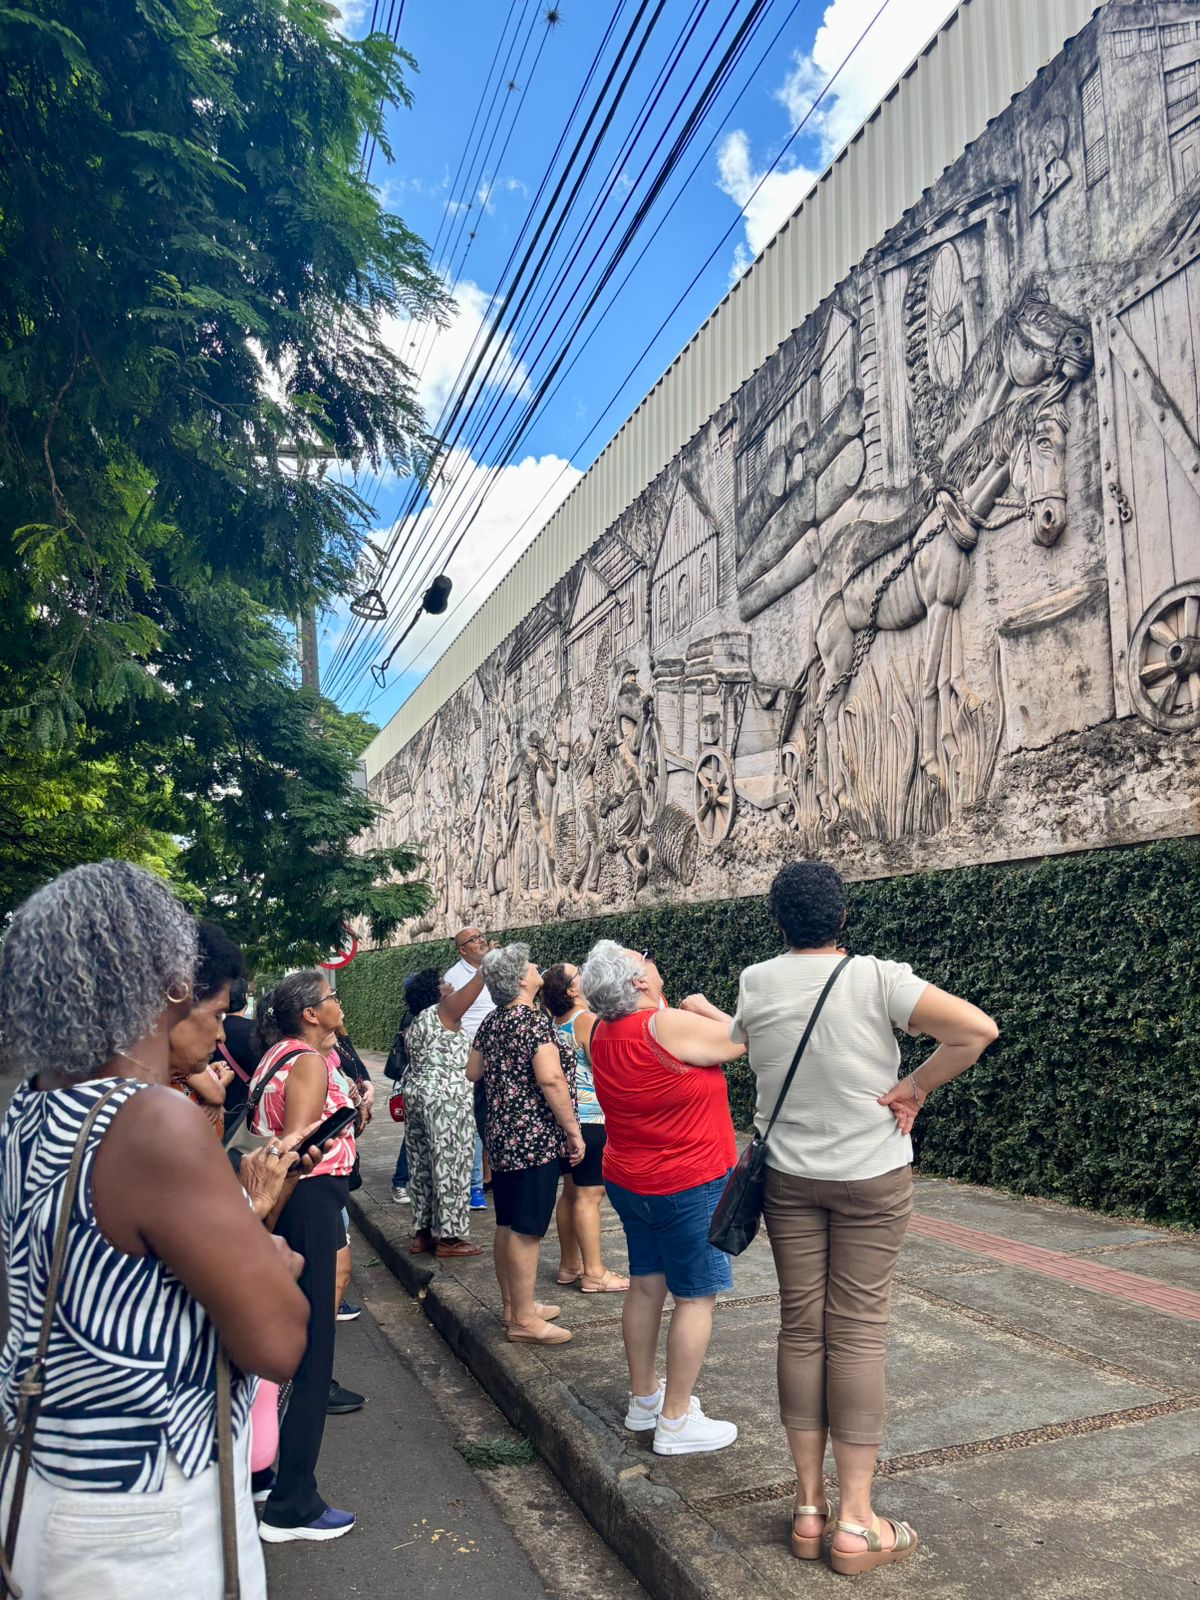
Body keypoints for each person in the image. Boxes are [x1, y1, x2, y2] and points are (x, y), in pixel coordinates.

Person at [0, 861, 308, 1599]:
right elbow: (278, 1343)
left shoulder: (27, 1108)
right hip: (143, 1523)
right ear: (171, 981)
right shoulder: (152, 1120)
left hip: (42, 1483)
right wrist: (271, 1260)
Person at [732, 861, 998, 1575]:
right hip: (872, 1176)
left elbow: (747, 1044)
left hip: (789, 1178)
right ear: (842, 917)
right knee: (856, 1332)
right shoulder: (878, 978)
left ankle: (808, 1509)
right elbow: (976, 1030)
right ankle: (857, 1522)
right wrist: (914, 1086)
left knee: (801, 1327)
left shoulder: (756, 981)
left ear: (778, 921)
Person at [580, 942, 745, 1456]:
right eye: (646, 957)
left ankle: (645, 1398)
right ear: (638, 982)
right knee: (695, 1297)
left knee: (646, 1285)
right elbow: (746, 1039)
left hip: (630, 1180)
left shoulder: (599, 1030)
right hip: (689, 1181)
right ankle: (675, 1421)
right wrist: (706, 1008)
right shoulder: (666, 1026)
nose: (653, 962)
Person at [249, 970, 360, 1542]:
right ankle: (293, 1504)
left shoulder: (279, 1056)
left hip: (298, 1206)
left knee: (290, 1339)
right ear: (311, 1013)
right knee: (314, 1348)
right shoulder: (309, 1062)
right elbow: (296, 1148)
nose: (339, 1003)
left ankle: (266, 1472)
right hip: (309, 1202)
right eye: (331, 997)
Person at [467, 945, 584, 1345]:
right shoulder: (533, 1022)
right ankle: (523, 1320)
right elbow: (551, 1079)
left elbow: (473, 1071)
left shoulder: (493, 1020)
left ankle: (514, 1306)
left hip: (501, 1136)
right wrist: (573, 1131)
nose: (537, 970)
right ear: (520, 980)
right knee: (528, 1229)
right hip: (534, 1139)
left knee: (507, 1222)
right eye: (532, 967)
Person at [541, 963, 628, 1294]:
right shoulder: (586, 1020)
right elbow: (603, 1067)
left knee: (571, 1192)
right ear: (572, 990)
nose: (584, 976)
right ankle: (594, 1272)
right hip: (591, 1119)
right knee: (590, 1196)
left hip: (565, 1120)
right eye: (578, 974)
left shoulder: (554, 1022)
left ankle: (569, 1265)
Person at [404, 968, 488, 1258]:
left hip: (418, 1095)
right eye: (442, 982)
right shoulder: (443, 1012)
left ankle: (423, 1233)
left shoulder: (416, 1021)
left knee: (422, 1165)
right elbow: (477, 984)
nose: (449, 984)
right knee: (451, 1163)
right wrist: (487, 962)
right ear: (433, 992)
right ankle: (450, 1238)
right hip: (446, 1100)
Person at [168, 919, 245, 1139]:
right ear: (175, 1000)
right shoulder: (144, 1112)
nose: (221, 1036)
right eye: (217, 1016)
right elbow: (216, 1095)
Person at [444, 926, 497, 1209]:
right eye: (474, 940)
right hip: (471, 1056)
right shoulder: (454, 977)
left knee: (495, 1115)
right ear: (462, 950)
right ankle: (476, 1184)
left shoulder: (495, 967)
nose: (481, 941)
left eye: (481, 936)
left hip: (499, 1053)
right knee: (476, 1119)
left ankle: (491, 1176)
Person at [218, 976, 258, 1130]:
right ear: (245, 997)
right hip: (250, 1113)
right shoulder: (258, 1031)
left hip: (217, 1110)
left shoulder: (213, 1031)